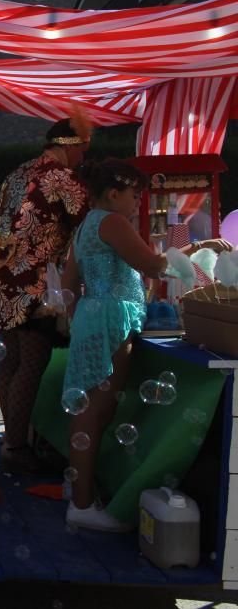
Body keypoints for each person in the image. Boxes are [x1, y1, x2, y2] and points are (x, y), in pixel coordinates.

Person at [61, 158, 232, 531]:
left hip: (94, 317)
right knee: (95, 413)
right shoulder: (112, 220)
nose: (138, 202)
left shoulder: (86, 226)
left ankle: (78, 490)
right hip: (111, 319)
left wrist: (80, 318)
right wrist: (200, 245)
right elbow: (154, 266)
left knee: (89, 412)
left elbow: (69, 281)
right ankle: (82, 504)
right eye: (134, 195)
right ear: (113, 193)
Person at [0, 118, 90, 474]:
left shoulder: (15, 173)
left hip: (1, 278)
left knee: (11, 361)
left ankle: (11, 442)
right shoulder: (64, 179)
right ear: (69, 144)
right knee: (31, 363)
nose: (83, 156)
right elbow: (88, 228)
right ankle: (16, 446)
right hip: (36, 283)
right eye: (82, 149)